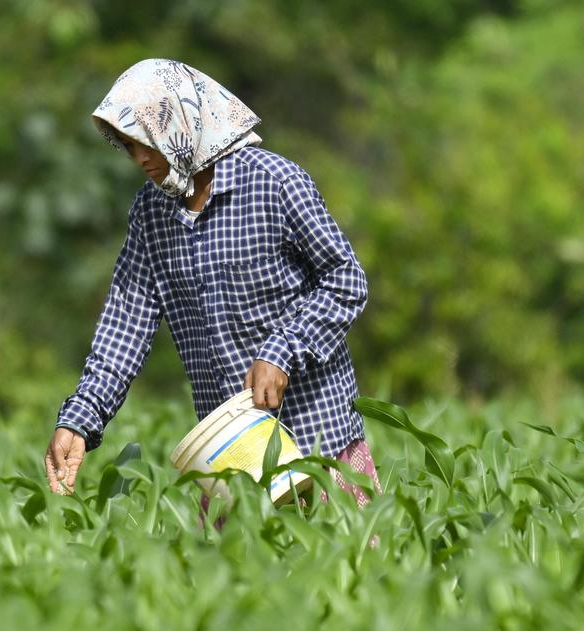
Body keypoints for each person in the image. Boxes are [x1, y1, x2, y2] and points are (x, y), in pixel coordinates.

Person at [44, 59, 380, 505]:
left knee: (354, 569)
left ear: (182, 123)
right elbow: (124, 327)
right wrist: (80, 420)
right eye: (128, 146)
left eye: (148, 141)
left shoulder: (275, 182)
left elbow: (345, 278)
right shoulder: (150, 214)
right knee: (234, 574)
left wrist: (281, 351)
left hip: (320, 438)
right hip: (233, 454)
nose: (141, 158)